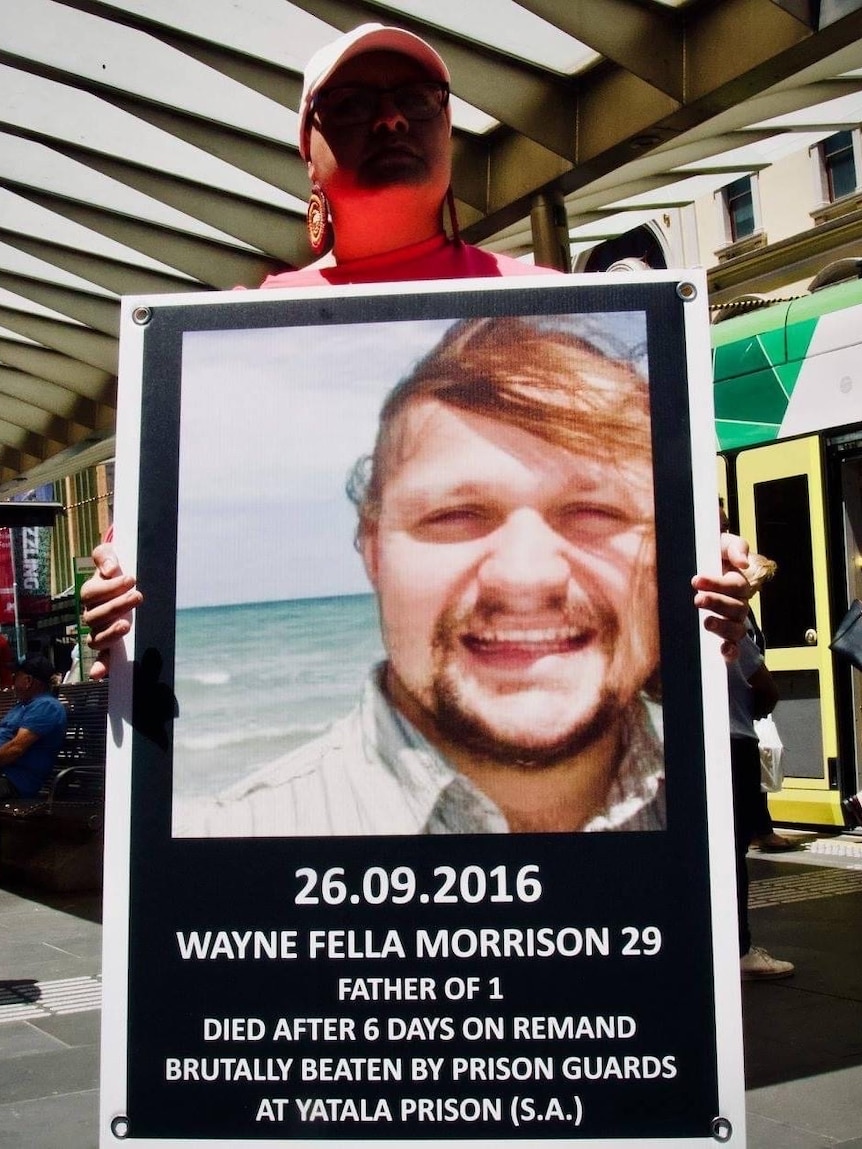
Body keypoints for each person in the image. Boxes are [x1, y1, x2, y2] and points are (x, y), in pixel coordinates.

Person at [79, 22, 752, 675]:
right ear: (307, 155)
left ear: (448, 130)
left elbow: (673, 513)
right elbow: (151, 549)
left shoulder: (554, 304)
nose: (392, 120)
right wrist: (118, 599)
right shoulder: (230, 337)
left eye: (416, 100)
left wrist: (711, 561)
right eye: (352, 105)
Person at [178, 317, 663, 835]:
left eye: (594, 512)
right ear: (373, 552)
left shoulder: (717, 824)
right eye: (454, 515)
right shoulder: (221, 847)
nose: (525, 578)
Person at [726, 553, 794, 979]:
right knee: (732, 853)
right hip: (733, 738)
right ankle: (740, 949)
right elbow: (764, 688)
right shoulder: (730, 616)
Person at [0, 655, 67, 801]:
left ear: (28, 680)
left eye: (15, 677)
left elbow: (16, 748)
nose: (12, 684)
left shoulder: (47, 706)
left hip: (13, 782)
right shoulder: (23, 706)